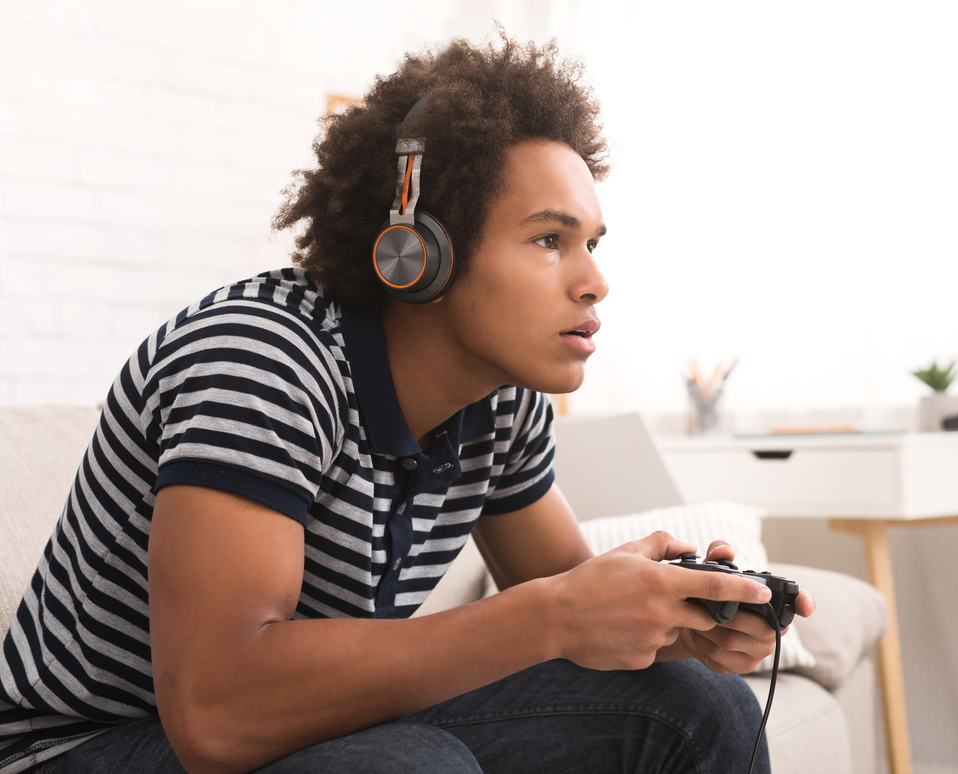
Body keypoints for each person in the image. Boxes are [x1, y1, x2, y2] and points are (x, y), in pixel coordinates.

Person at [0, 36, 812, 774]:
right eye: (547, 239)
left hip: (301, 735)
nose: (593, 279)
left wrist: (680, 618)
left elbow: (568, 600)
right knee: (406, 767)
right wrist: (552, 616)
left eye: (591, 244)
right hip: (79, 747)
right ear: (415, 254)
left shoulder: (502, 401)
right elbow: (214, 715)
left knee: (695, 709)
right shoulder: (260, 358)